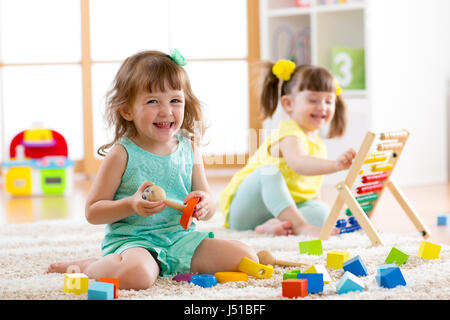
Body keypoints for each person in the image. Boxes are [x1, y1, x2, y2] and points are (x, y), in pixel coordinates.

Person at [45, 50, 258, 290]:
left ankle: (166, 264)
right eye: (152, 101)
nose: (166, 111)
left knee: (246, 258)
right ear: (127, 110)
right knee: (136, 276)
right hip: (135, 242)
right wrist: (131, 205)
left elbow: (208, 205)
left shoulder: (189, 148)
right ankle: (91, 266)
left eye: (175, 100)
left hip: (180, 239)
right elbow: (93, 212)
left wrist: (204, 203)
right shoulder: (121, 154)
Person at [220, 60, 356, 236]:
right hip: (245, 211)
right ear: (288, 103)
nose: (322, 107)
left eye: (329, 101)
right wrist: (335, 165)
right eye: (313, 100)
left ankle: (273, 226)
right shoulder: (289, 132)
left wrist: (317, 210)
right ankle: (298, 225)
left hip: (279, 211)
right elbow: (299, 163)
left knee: (322, 211)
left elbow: (311, 192)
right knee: (268, 172)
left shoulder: (319, 145)